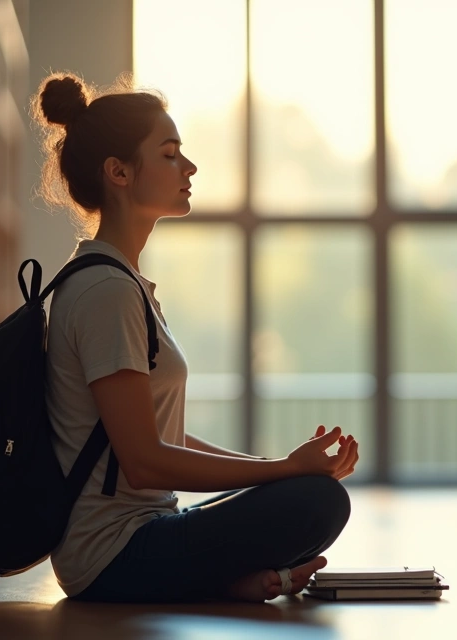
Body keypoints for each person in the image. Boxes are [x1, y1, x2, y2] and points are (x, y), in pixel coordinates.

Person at [31, 71, 359, 604]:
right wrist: (284, 471)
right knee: (318, 503)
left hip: (149, 529)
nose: (189, 167)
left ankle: (232, 582)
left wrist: (275, 470)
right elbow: (144, 460)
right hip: (114, 556)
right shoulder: (105, 291)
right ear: (118, 172)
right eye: (168, 154)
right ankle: (229, 582)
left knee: (301, 492)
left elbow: (165, 438)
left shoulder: (122, 283)